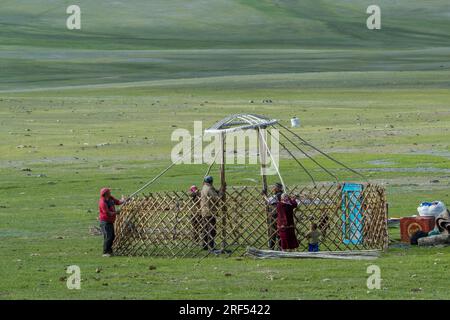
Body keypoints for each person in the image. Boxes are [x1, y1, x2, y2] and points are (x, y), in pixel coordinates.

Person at [98, 188, 126, 257]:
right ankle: (105, 252)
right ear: (105, 194)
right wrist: (116, 212)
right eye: (109, 192)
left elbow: (118, 202)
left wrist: (123, 200)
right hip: (105, 222)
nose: (110, 192)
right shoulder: (102, 203)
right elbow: (108, 213)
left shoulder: (111, 198)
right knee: (108, 237)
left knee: (112, 236)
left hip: (110, 221)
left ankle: (109, 251)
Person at [200, 176, 224, 251]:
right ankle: (211, 246)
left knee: (206, 229)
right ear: (211, 181)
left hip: (204, 211)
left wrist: (219, 189)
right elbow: (216, 198)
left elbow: (214, 192)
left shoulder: (204, 187)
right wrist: (221, 193)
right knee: (211, 229)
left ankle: (205, 245)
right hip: (210, 212)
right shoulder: (209, 188)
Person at [263, 183, 283, 250]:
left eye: (274, 187)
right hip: (281, 216)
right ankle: (280, 248)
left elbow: (269, 201)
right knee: (279, 231)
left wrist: (264, 195)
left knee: (273, 232)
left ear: (277, 188)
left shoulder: (278, 195)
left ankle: (272, 248)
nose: (273, 189)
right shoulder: (282, 194)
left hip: (275, 216)